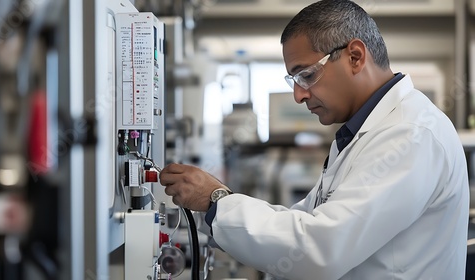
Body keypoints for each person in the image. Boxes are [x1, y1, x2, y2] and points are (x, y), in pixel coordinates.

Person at [159, 0, 470, 279]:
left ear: (355, 57)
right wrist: (220, 202)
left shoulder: (410, 135)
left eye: (306, 75)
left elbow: (320, 249)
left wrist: (218, 203)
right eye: (294, 80)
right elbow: (303, 222)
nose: (298, 95)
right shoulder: (363, 133)